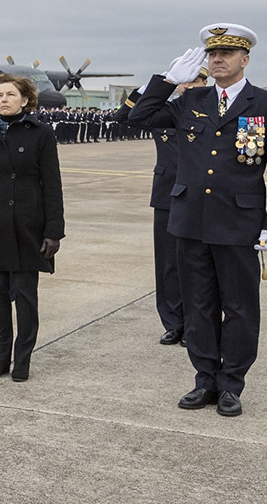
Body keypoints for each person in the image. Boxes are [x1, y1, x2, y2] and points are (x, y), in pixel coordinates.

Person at [128, 24, 267, 418]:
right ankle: (205, 378)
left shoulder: (263, 104)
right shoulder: (192, 101)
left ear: (245, 59)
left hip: (239, 223)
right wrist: (169, 81)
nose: (217, 59)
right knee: (199, 305)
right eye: (212, 53)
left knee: (240, 308)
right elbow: (139, 117)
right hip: (190, 221)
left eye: (226, 52)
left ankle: (232, 384)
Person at [0, 73, 64, 382]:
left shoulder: (41, 134)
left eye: (10, 95)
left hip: (27, 226)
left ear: (26, 100)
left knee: (26, 298)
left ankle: (23, 359)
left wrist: (54, 230)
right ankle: (0, 357)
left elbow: (52, 185)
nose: (2, 99)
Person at [115, 65, 209, 346]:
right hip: (167, 196)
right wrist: (149, 89)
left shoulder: (213, 111)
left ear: (206, 82)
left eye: (196, 81)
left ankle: (196, 326)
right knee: (167, 265)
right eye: (186, 82)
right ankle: (173, 322)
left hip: (201, 197)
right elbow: (126, 117)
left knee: (198, 266)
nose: (189, 86)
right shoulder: (167, 110)